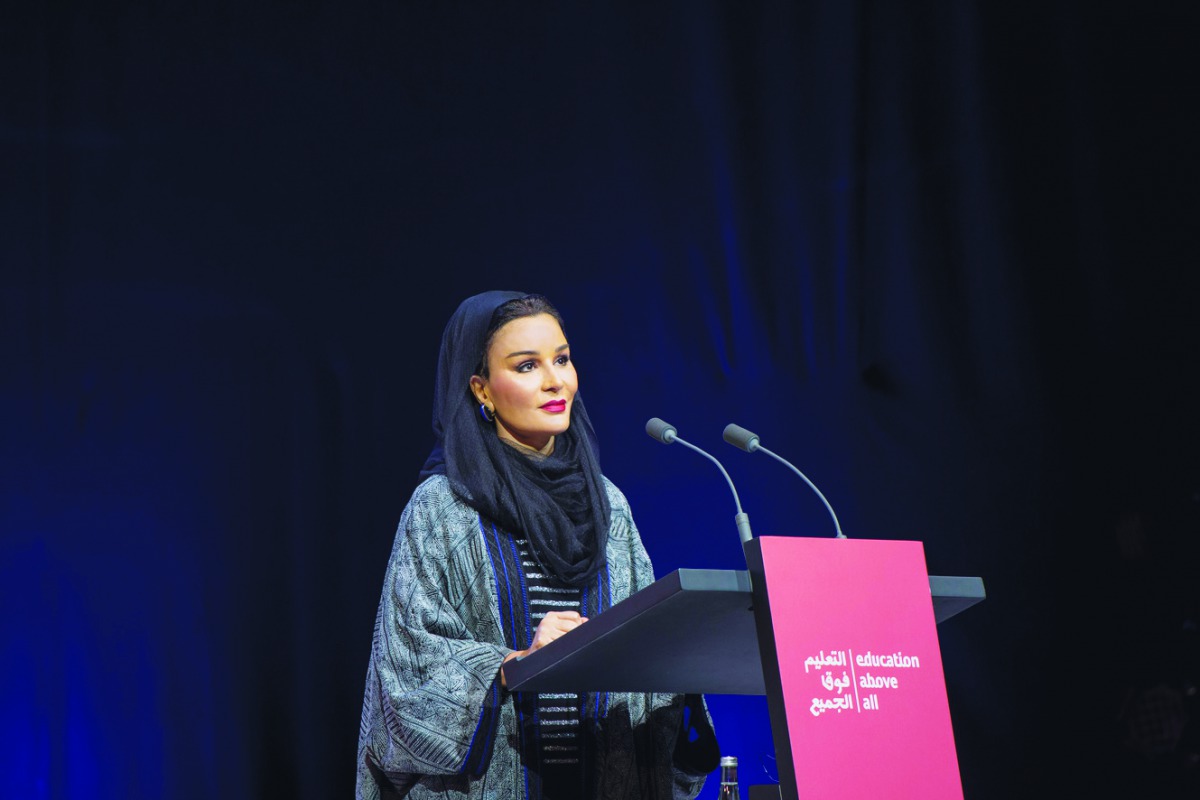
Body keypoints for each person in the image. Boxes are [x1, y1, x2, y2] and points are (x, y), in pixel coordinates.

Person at [356, 291, 719, 799]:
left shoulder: (607, 505)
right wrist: (517, 663)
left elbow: (643, 640)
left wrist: (682, 649)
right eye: (527, 366)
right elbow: (409, 671)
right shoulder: (443, 507)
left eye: (562, 359)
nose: (555, 381)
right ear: (481, 389)